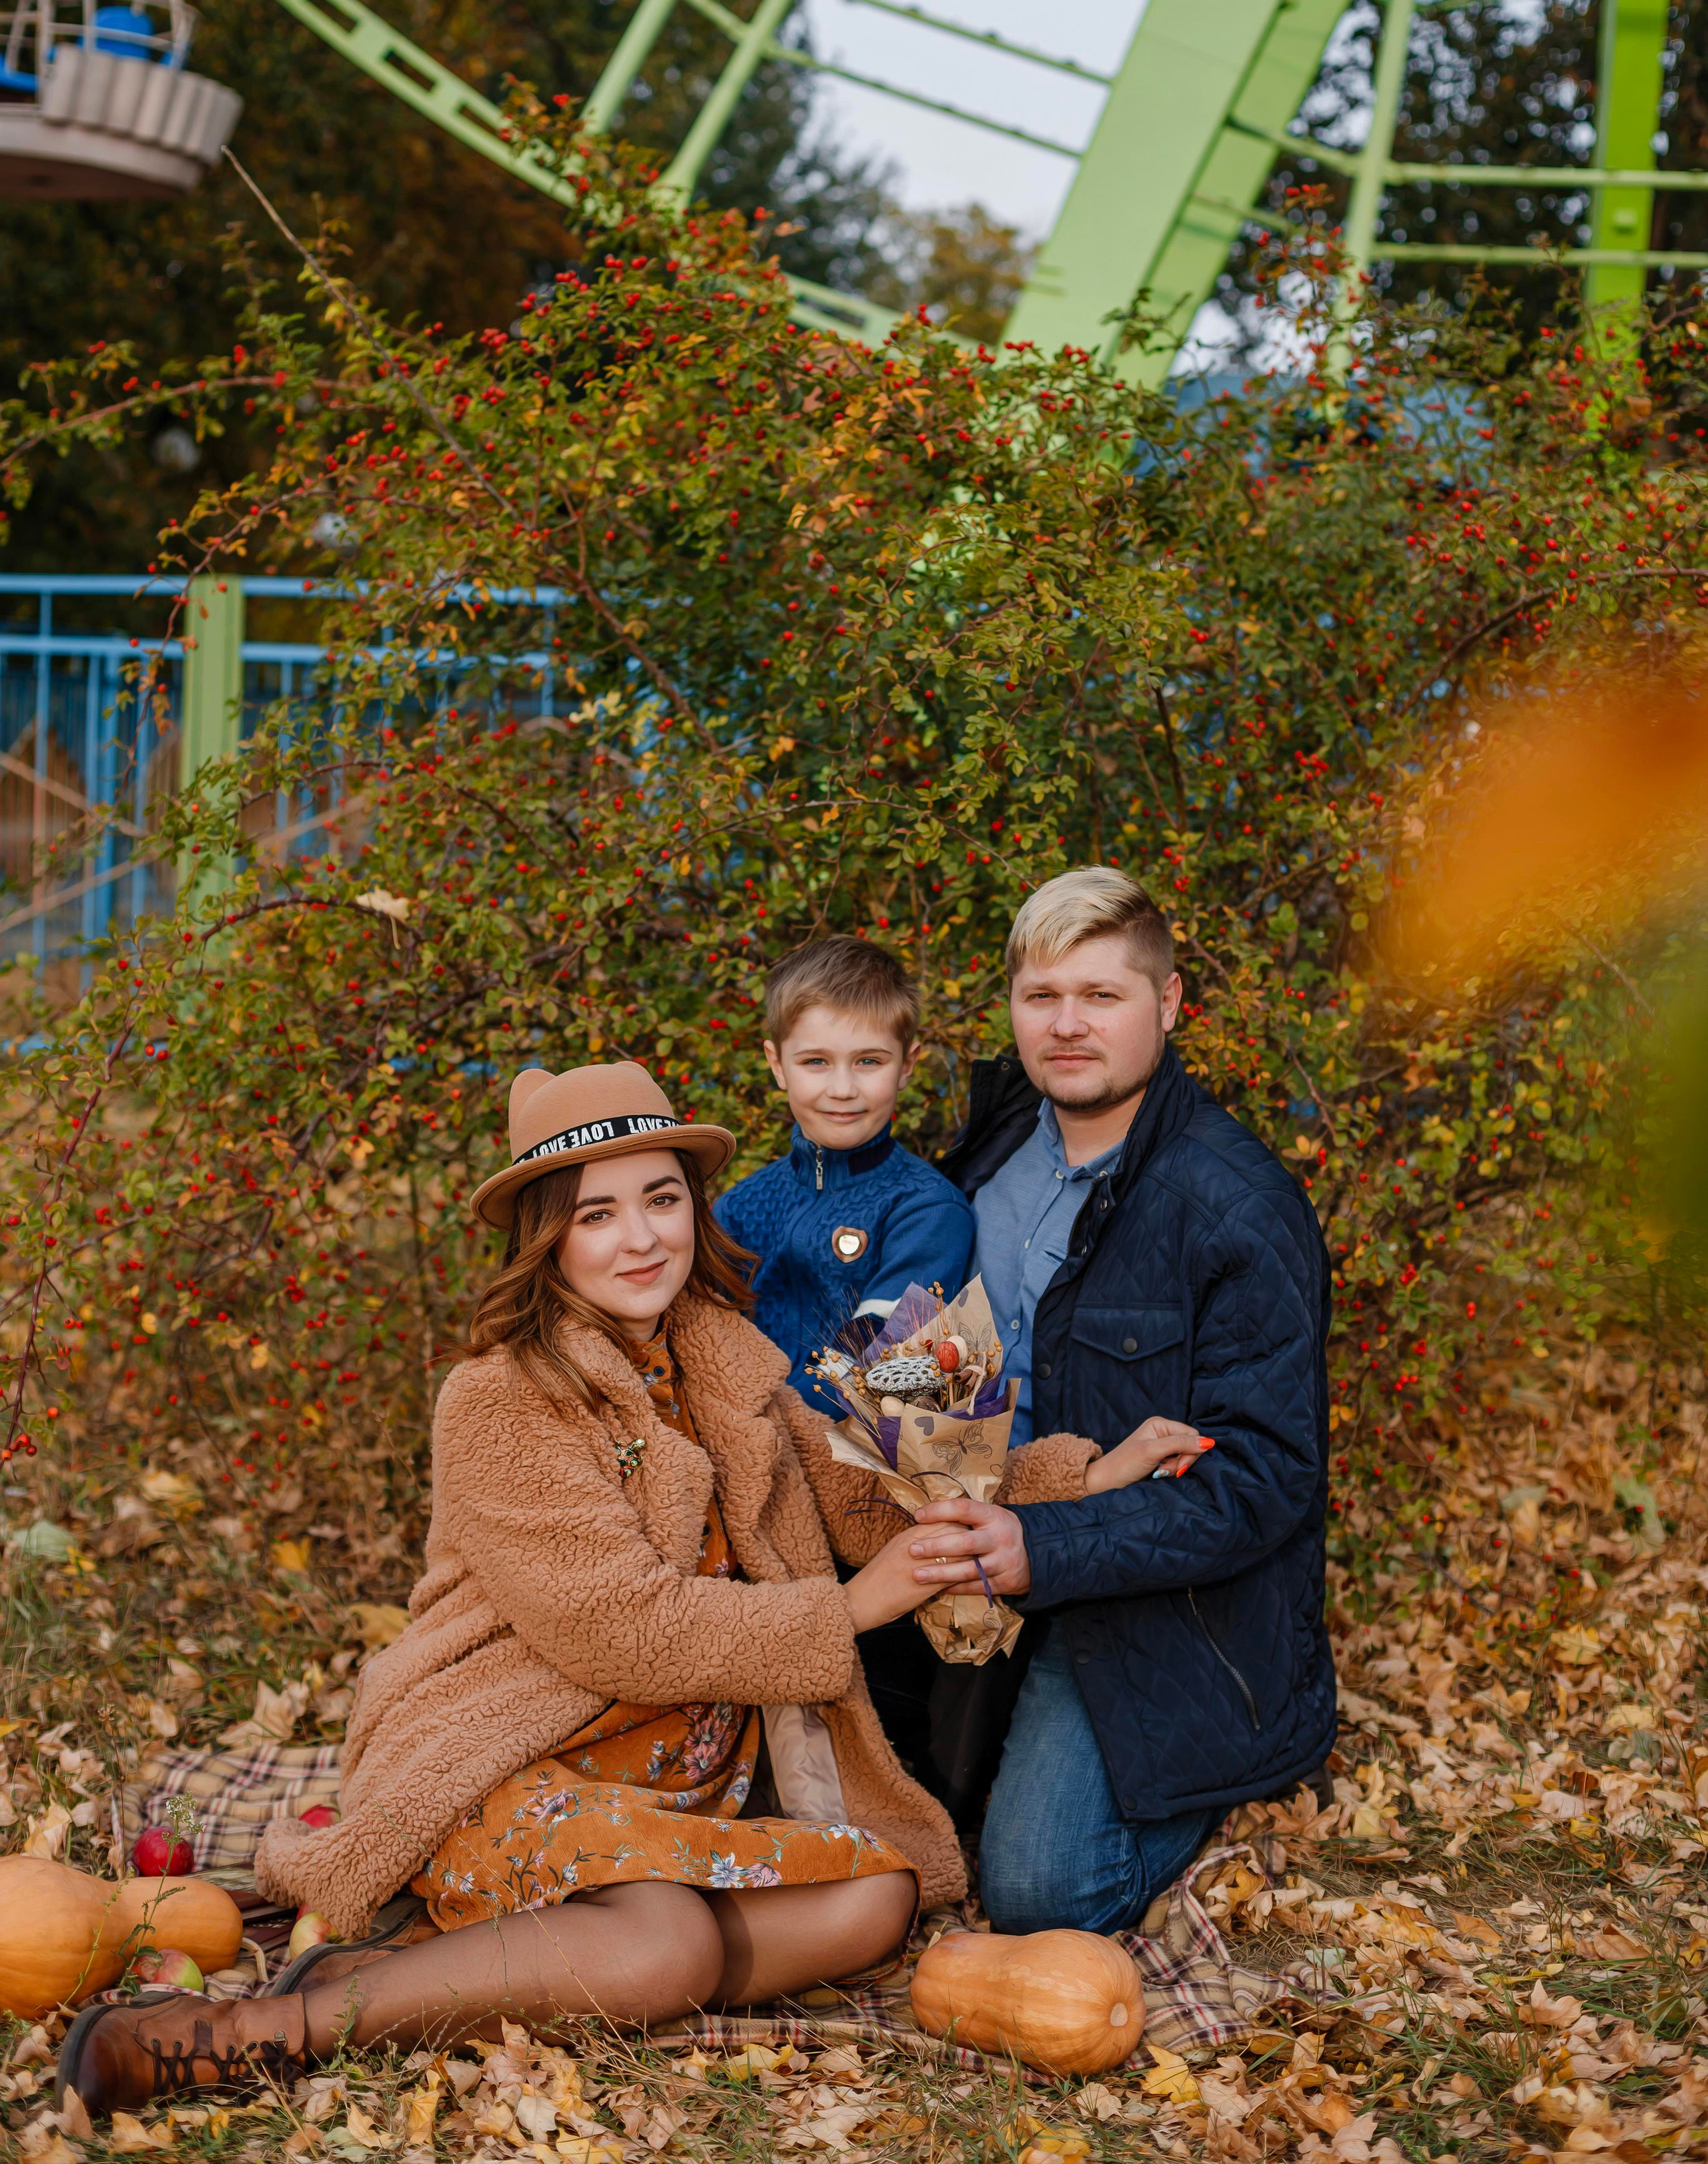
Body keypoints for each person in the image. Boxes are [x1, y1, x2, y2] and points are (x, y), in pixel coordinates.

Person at [58, 1061, 1194, 2115]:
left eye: (660, 1201)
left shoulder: (729, 1362)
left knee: (879, 1901)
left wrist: (1089, 1474)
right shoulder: (502, 1398)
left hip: (677, 1790)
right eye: (596, 1216)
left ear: (696, 1211)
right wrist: (853, 1608)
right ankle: (282, 2021)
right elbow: (621, 1630)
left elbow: (865, 1505)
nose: (639, 1239)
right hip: (508, 1753)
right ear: (546, 1241)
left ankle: (453, 1971)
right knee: (672, 1949)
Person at [915, 868, 1337, 1936]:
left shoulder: (1236, 1208)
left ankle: (1218, 1776)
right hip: (973, 1544)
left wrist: (1045, 1550)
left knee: (1037, 1891)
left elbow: (1261, 1481)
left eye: (1101, 996)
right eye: (1040, 995)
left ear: (1169, 1003)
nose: (1066, 1025)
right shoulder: (989, 1153)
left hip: (1147, 1596)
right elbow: (937, 1350)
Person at [716, 937, 973, 1403]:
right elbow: (700, 1336)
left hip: (853, 1458)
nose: (842, 1088)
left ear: (907, 1065)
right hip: (736, 1444)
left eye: (868, 1061)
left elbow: (879, 1359)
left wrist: (769, 1424)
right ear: (777, 1065)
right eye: (816, 1062)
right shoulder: (739, 1207)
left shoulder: (928, 1211)